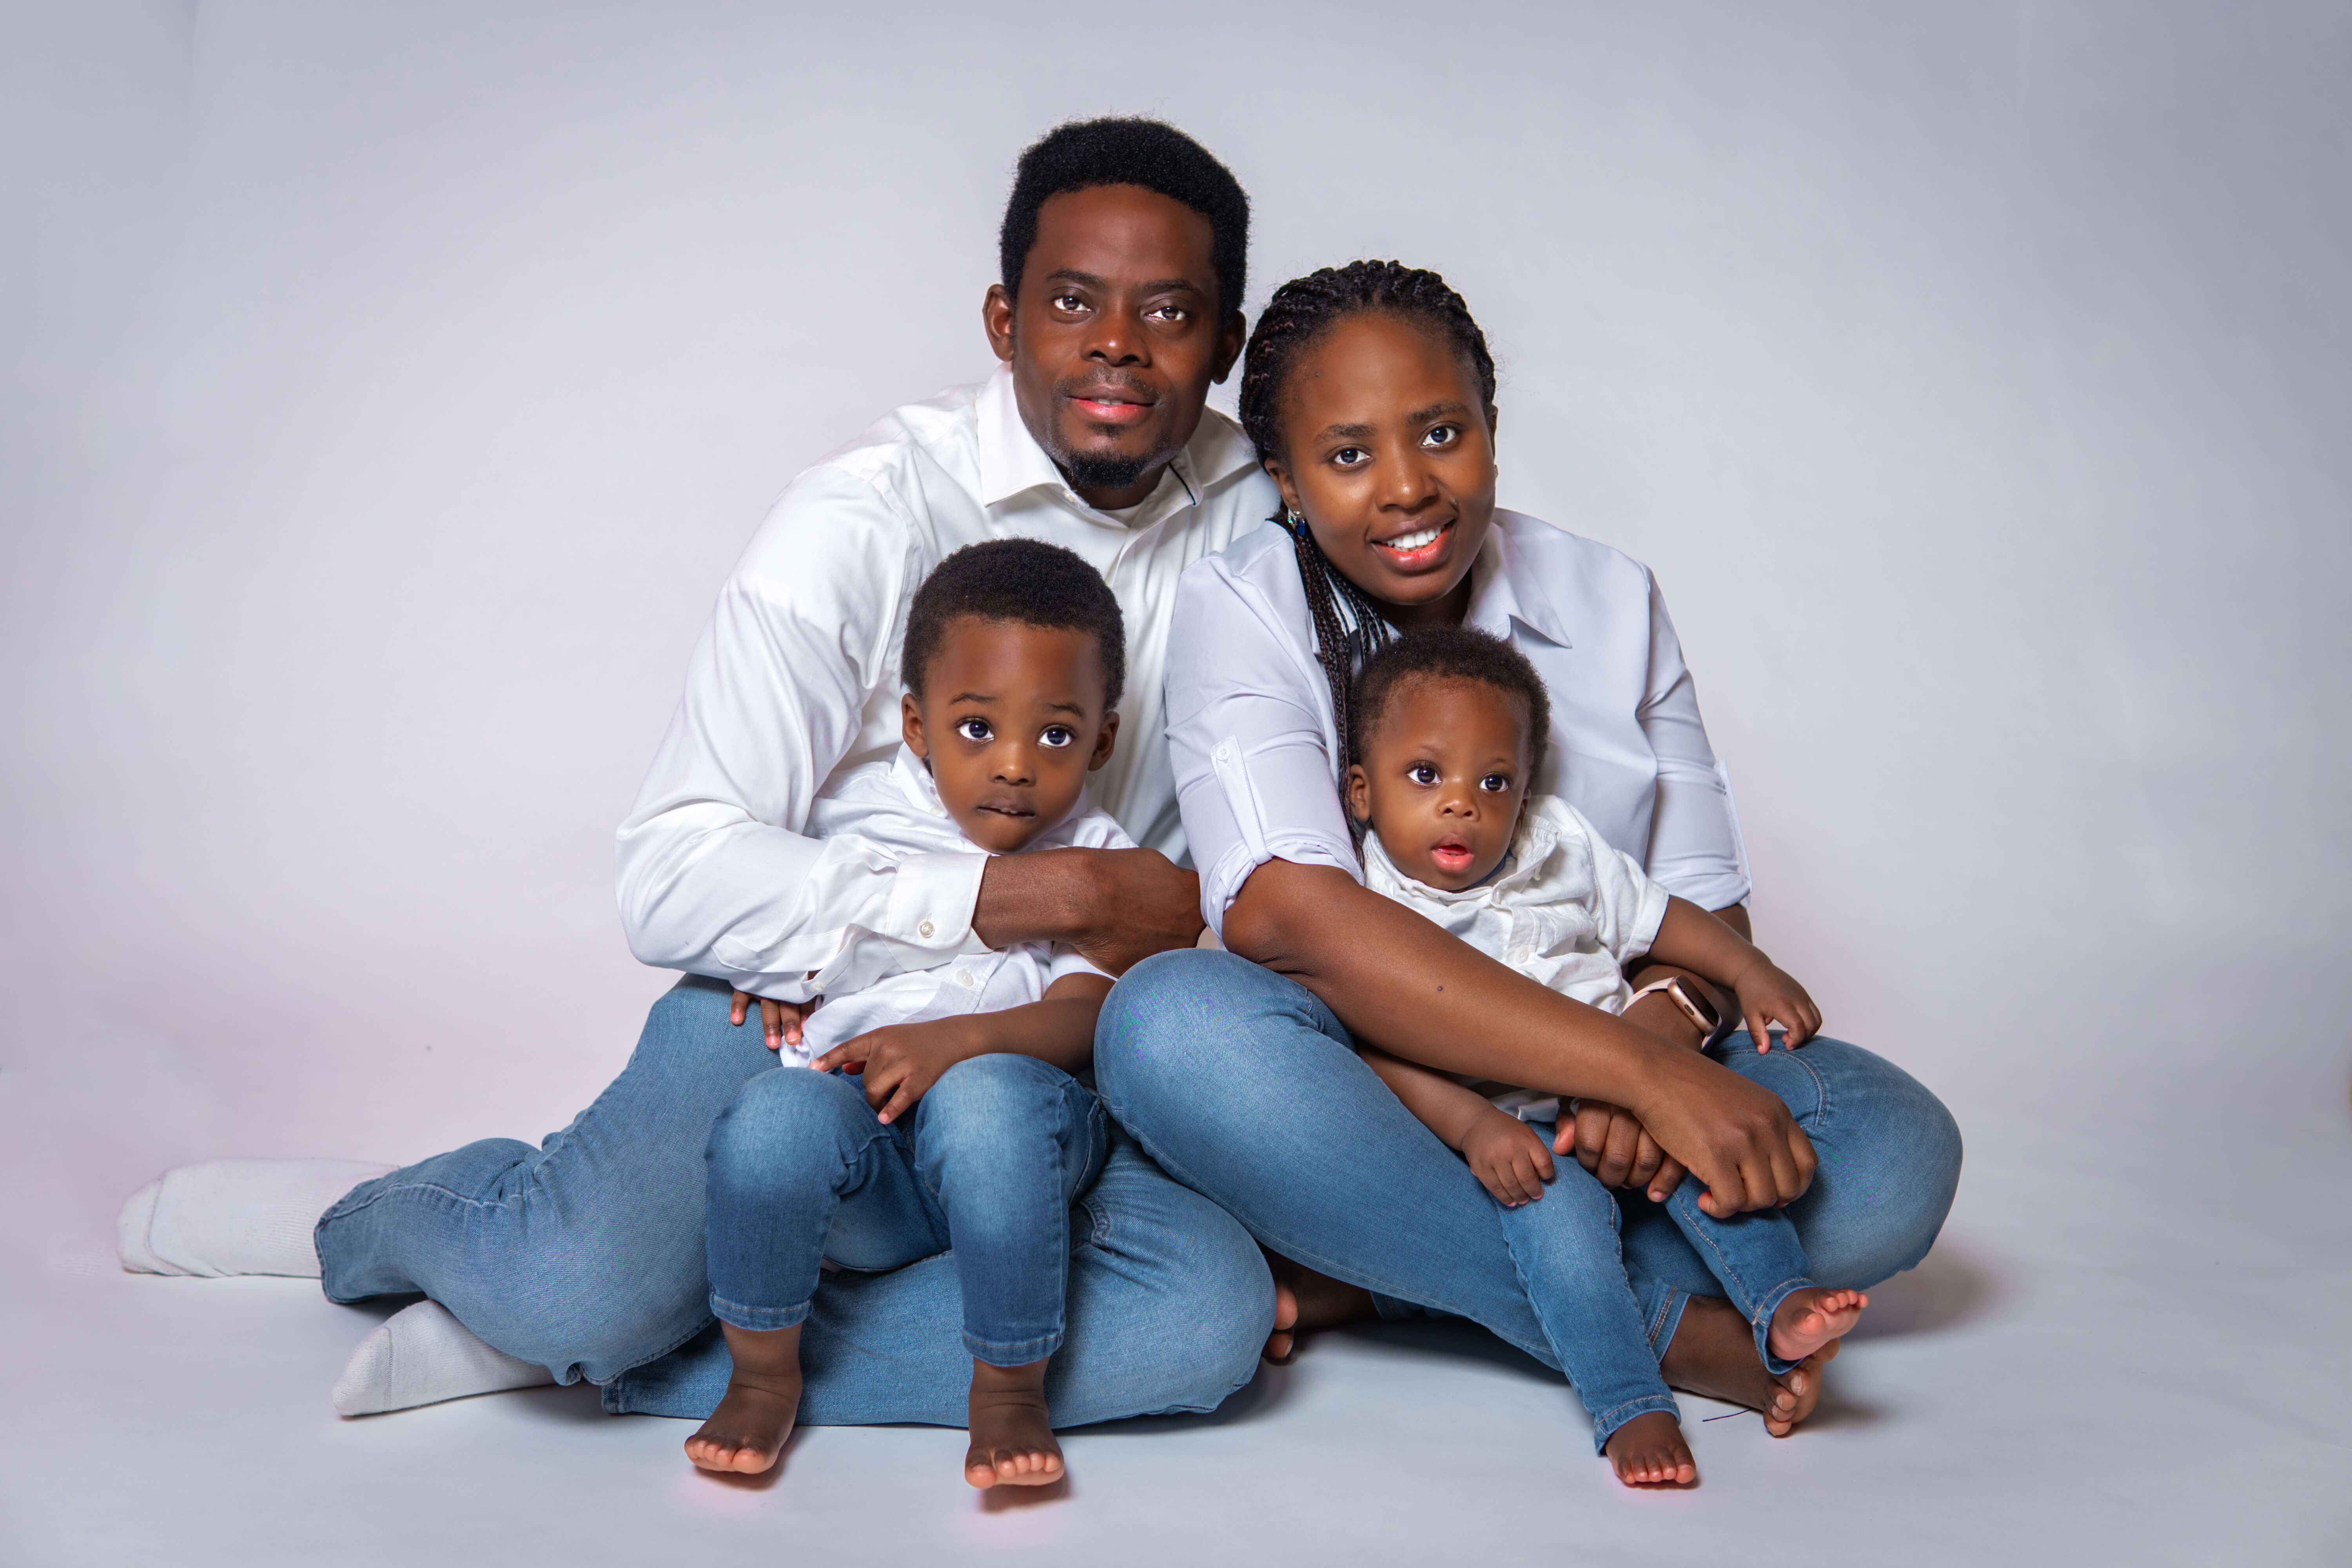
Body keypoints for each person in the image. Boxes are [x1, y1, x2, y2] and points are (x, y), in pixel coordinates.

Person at [117, 118, 1286, 1430]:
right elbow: (674, 875)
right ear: (1004, 319)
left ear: (1224, 345)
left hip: (1043, 1055)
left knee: (1199, 1323)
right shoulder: (863, 517)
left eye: (1167, 311)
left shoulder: (1260, 520)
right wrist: (1033, 896)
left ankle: (643, 1350)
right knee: (571, 1283)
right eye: (1073, 302)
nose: (1117, 344)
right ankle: (403, 1228)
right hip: (806, 1023)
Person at [1095, 260, 1963, 1444]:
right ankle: (1652, 1324)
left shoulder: (1611, 597)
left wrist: (1660, 1033)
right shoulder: (1242, 606)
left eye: (1442, 433)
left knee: (1896, 1155)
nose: (1407, 488)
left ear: (1493, 430)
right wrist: (1643, 1076)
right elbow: (1292, 921)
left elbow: (1702, 911)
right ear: (1287, 483)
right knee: (1173, 1027)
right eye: (1348, 456)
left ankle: (1389, 1265)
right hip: (1394, 1102)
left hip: (1596, 1096)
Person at [1339, 622, 1868, 1485]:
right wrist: (1474, 1126)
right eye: (1425, 775)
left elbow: (1663, 918)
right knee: (1568, 1243)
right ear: (1362, 791)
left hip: (1639, 1090)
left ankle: (1782, 1302)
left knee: (1719, 1163)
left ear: (1526, 788)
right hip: (1528, 1143)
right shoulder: (1366, 896)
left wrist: (1750, 967)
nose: (1462, 802)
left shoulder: (1559, 841)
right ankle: (1631, 1402)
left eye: (1494, 779)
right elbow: (1373, 1049)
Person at [684, 539, 1134, 1488]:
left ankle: (1009, 1386)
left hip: (1024, 1134)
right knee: (772, 1119)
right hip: (875, 1157)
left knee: (986, 1104)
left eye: (1054, 736)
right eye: (977, 729)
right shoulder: (849, 817)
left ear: (1100, 740)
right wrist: (773, 963)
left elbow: (1089, 1014)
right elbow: (777, 914)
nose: (1013, 766)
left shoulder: (1098, 855)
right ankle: (764, 1372)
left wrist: (961, 1041)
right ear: (918, 728)